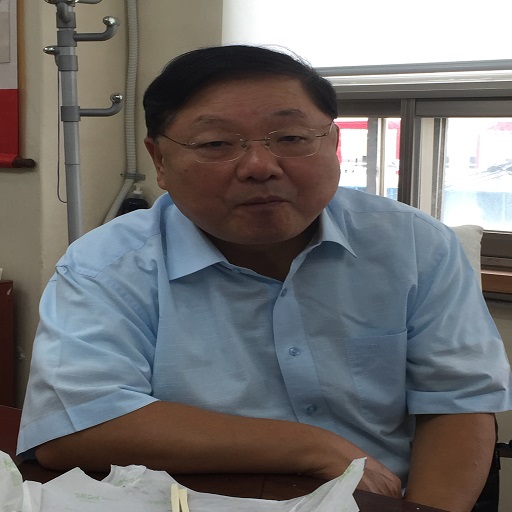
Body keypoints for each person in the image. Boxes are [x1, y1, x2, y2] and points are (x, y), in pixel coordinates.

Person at [17, 45, 511, 512]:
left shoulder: (415, 245)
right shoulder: (105, 265)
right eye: (215, 143)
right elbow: (72, 427)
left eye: (291, 138)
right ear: (160, 161)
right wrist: (311, 448)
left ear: (334, 143)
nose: (260, 167)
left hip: (382, 500)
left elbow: (457, 404)